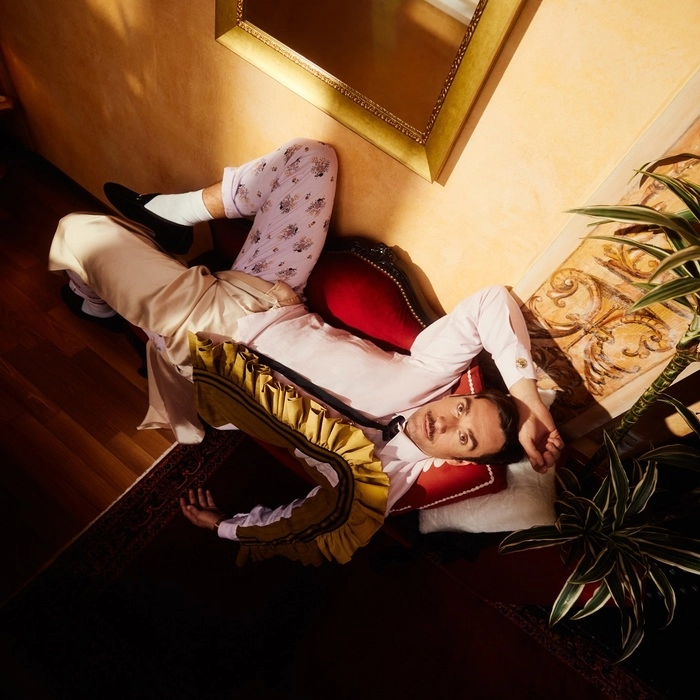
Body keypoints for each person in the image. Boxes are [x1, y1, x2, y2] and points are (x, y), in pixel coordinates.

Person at [49, 137, 562, 548]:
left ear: (458, 461)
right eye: (464, 408)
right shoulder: (430, 374)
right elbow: (491, 302)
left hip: (208, 339)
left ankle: (91, 297)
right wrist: (526, 398)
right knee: (312, 159)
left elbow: (313, 520)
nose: (448, 421)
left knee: (80, 231)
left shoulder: (381, 480)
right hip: (272, 294)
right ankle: (172, 213)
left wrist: (226, 527)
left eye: (464, 438)